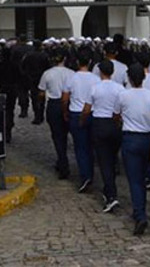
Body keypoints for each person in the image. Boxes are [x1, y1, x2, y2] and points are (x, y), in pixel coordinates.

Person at [117, 64, 150, 235]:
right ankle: (141, 208)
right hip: (147, 137)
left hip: (130, 137)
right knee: (143, 175)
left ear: (129, 79)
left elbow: (116, 114)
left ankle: (140, 214)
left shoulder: (123, 95)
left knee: (134, 179)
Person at [83, 60, 126, 213]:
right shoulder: (120, 88)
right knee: (112, 156)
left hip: (100, 123)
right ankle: (110, 186)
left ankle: (111, 194)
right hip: (114, 124)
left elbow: (87, 108)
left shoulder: (95, 88)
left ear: (100, 72)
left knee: (104, 160)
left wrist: (83, 120)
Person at [62, 50, 100, 193]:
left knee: (80, 147)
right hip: (92, 113)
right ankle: (90, 173)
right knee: (90, 146)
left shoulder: (72, 78)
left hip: (76, 113)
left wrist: (65, 111)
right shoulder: (96, 78)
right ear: (90, 62)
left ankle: (85, 175)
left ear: (77, 62)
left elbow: (65, 98)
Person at [38, 50, 75, 179]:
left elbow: (41, 92)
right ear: (64, 59)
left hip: (54, 105)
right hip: (70, 104)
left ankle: (63, 163)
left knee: (58, 136)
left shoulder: (47, 74)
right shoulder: (71, 73)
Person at [0, 51, 20, 143]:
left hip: (3, 89)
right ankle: (9, 128)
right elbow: (20, 76)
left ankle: (4, 128)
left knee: (3, 110)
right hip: (12, 89)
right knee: (10, 109)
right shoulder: (15, 65)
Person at [24, 41, 50, 124]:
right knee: (41, 96)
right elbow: (48, 67)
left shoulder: (28, 55)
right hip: (42, 78)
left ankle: (37, 115)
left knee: (34, 97)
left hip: (32, 78)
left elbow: (23, 65)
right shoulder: (44, 55)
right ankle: (41, 114)